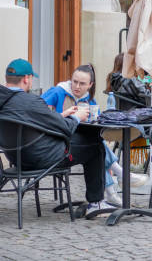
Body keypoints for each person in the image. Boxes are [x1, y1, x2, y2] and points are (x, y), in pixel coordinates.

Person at [0, 59, 114, 216]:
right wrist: (77, 117)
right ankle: (96, 203)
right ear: (26, 78)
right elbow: (65, 127)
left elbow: (44, 122)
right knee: (95, 144)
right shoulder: (30, 101)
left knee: (86, 139)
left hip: (16, 157)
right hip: (40, 158)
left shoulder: (5, 100)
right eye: (32, 78)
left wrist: (62, 115)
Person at [42, 64, 147, 206]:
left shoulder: (89, 100)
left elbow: (96, 121)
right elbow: (41, 114)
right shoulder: (58, 92)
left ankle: (111, 191)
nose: (77, 86)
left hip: (78, 142)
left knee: (97, 143)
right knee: (96, 147)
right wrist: (65, 115)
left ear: (90, 85)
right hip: (59, 143)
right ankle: (117, 177)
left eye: (82, 83)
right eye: (74, 81)